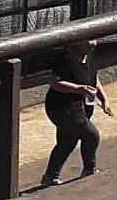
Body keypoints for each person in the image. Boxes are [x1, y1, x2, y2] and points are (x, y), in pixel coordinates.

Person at [41, 39, 111, 186]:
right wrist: (77, 88)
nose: (93, 44)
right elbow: (54, 82)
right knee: (91, 135)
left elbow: (94, 77)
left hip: (82, 105)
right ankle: (89, 168)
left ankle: (50, 176)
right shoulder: (66, 58)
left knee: (68, 141)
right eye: (89, 40)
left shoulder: (89, 55)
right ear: (78, 41)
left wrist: (104, 99)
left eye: (94, 40)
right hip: (64, 106)